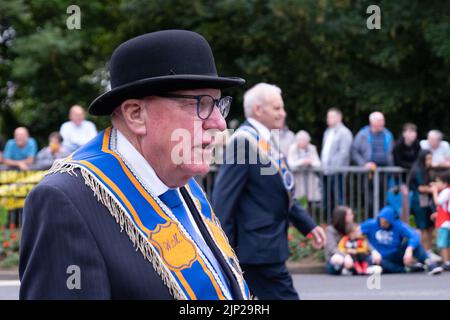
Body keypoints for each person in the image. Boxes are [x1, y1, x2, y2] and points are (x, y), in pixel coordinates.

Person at [20, 30, 251, 300]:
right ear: (135, 114)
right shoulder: (65, 199)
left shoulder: (181, 181)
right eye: (200, 103)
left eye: (218, 104)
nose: (219, 123)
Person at [212, 82, 326, 300]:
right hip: (256, 251)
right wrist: (223, 254)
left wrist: (308, 225)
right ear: (257, 109)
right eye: (276, 108)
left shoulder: (264, 139)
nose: (283, 113)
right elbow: (223, 202)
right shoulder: (243, 142)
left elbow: (281, 191)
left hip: (265, 248)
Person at [360, 206, 443, 275]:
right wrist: (372, 250)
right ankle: (406, 269)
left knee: (414, 245)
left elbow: (414, 235)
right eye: (381, 220)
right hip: (379, 257)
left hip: (395, 254)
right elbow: (357, 234)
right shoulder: (371, 224)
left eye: (386, 221)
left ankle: (428, 262)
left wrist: (409, 249)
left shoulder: (397, 225)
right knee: (373, 261)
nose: (383, 223)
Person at [407, 150, 441, 261]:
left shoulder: (429, 170)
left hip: (428, 202)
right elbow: (421, 188)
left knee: (430, 226)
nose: (430, 161)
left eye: (431, 158)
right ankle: (423, 253)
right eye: (428, 159)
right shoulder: (418, 170)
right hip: (419, 202)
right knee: (423, 227)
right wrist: (434, 189)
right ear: (423, 159)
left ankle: (429, 250)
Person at [320, 108, 353, 218]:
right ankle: (330, 220)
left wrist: (333, 167)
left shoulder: (344, 132)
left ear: (339, 118)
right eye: (327, 117)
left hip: (337, 171)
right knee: (327, 198)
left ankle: (341, 221)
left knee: (338, 197)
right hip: (326, 171)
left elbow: (344, 153)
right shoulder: (327, 132)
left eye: (331, 117)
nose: (328, 119)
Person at [287, 130, 321, 203]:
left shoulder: (312, 148)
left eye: (306, 141)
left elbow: (318, 163)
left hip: (310, 180)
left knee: (310, 201)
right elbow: (290, 164)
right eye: (302, 140)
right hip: (298, 180)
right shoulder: (292, 148)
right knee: (300, 201)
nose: (304, 143)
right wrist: (302, 162)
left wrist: (310, 162)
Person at [430, 171, 450, 271]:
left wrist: (434, 191)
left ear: (445, 183)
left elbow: (438, 202)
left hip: (445, 222)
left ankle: (446, 262)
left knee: (444, 243)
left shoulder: (446, 191)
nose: (436, 184)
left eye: (438, 182)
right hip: (445, 220)